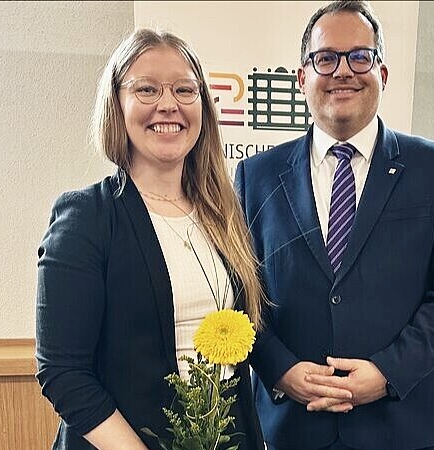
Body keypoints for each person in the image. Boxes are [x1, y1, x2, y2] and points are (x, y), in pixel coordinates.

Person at [235, 2, 434, 450]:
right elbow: (237, 290)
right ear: (302, 78)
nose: (343, 71)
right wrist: (280, 370)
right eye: (326, 58)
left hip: (401, 423)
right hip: (291, 426)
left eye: (360, 57)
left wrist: (388, 372)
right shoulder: (256, 177)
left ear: (382, 74)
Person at [36, 29, 264, 450]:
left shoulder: (224, 215)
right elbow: (63, 372)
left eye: (184, 89)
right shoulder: (87, 218)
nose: (168, 104)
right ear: (116, 105)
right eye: (146, 89)